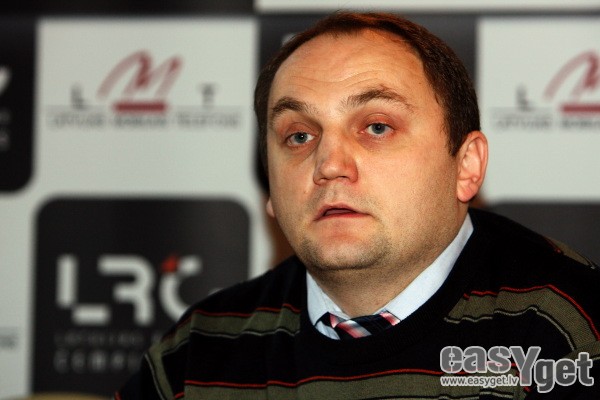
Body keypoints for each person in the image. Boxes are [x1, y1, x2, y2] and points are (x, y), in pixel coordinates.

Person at [115, 11, 600, 399]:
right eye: (299, 136)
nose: (329, 164)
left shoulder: (570, 326)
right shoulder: (200, 352)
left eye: (376, 127)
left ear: (466, 165)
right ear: (271, 190)